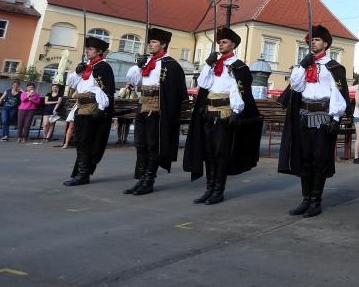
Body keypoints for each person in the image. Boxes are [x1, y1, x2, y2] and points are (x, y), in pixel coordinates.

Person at [278, 24, 351, 218]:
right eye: (311, 40)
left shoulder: (333, 67)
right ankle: (306, 199)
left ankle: (316, 201)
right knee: (305, 158)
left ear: (325, 44)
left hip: (323, 116)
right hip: (304, 115)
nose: (313, 42)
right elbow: (295, 86)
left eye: (316, 39)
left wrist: (335, 118)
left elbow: (338, 93)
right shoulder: (304, 65)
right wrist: (302, 65)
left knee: (319, 159)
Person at [184, 27, 262, 205]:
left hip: (224, 113)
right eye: (219, 42)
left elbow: (239, 91)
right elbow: (203, 84)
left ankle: (218, 191)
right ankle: (209, 189)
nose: (220, 45)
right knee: (208, 152)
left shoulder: (239, 67)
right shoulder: (214, 64)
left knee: (220, 153)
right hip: (209, 112)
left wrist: (236, 111)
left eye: (224, 42)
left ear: (233, 45)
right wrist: (207, 65)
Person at [123, 28, 188, 196]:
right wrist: (138, 67)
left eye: (154, 42)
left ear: (163, 45)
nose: (150, 45)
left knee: (153, 146)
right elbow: (135, 83)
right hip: (143, 105)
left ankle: (149, 181)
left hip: (158, 108)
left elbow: (176, 92)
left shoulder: (171, 65)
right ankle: (141, 179)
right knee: (140, 144)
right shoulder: (147, 62)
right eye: (149, 42)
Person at [63, 36, 116, 186]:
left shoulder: (103, 67)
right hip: (81, 106)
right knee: (80, 141)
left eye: (90, 49)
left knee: (87, 142)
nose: (87, 51)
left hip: (93, 108)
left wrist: (101, 108)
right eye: (87, 48)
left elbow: (105, 90)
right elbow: (72, 84)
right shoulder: (86, 66)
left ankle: (83, 174)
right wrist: (77, 72)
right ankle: (81, 172)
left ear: (99, 51)